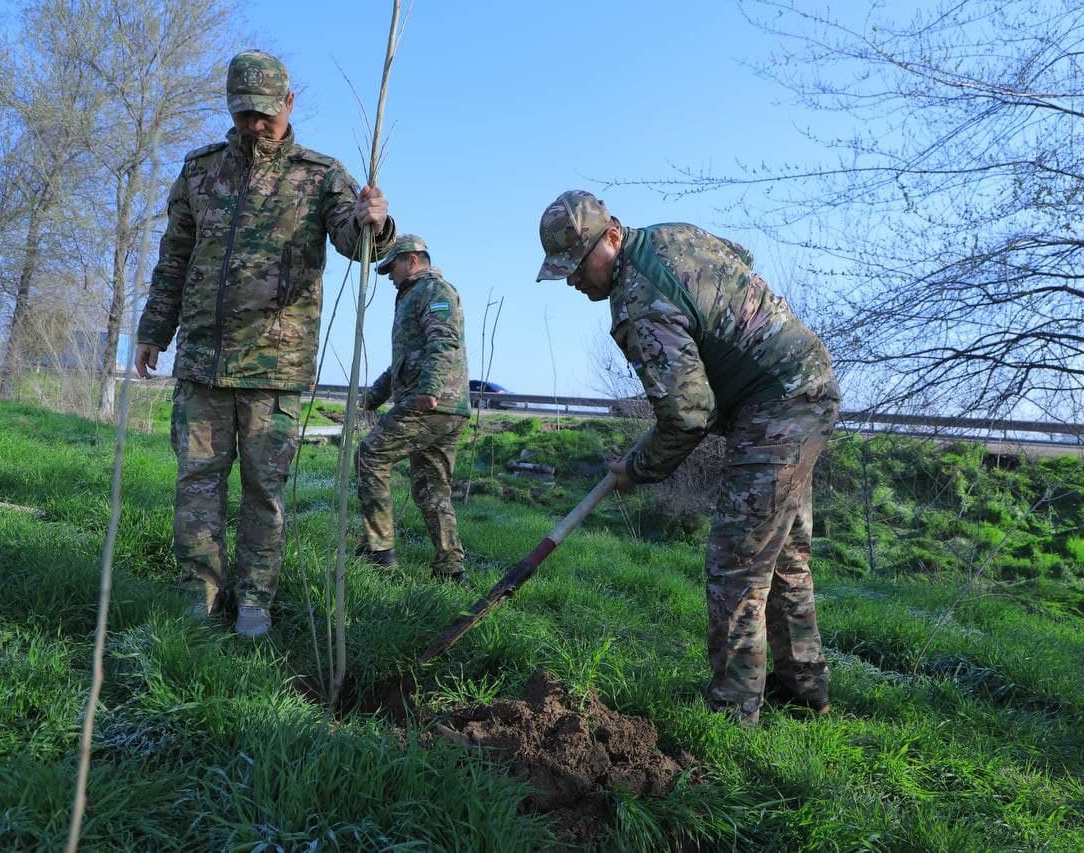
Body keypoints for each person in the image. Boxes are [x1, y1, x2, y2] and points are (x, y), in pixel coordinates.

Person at [535, 190, 840, 724]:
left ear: (611, 236)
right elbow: (739, 256)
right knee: (785, 557)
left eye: (578, 265)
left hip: (774, 407)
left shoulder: (638, 303)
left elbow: (688, 414)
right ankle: (803, 691)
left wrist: (639, 468)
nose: (573, 280)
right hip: (806, 381)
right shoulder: (672, 235)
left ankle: (733, 711)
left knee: (737, 567)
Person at [134, 50, 396, 639]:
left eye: (265, 114)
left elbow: (358, 243)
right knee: (196, 483)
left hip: (275, 365)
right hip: (202, 358)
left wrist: (375, 222)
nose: (255, 125)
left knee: (263, 490)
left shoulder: (320, 174)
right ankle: (197, 594)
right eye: (244, 113)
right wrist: (155, 329)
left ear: (288, 105)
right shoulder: (200, 171)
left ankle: (254, 597)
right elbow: (173, 258)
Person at [356, 235, 470, 582]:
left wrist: (429, 389)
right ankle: (451, 568)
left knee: (371, 455)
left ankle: (380, 552)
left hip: (432, 405)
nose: (390, 274)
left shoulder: (434, 291)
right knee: (432, 490)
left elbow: (444, 339)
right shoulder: (410, 296)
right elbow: (402, 363)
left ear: (413, 259)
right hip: (443, 408)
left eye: (392, 266)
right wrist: (371, 398)